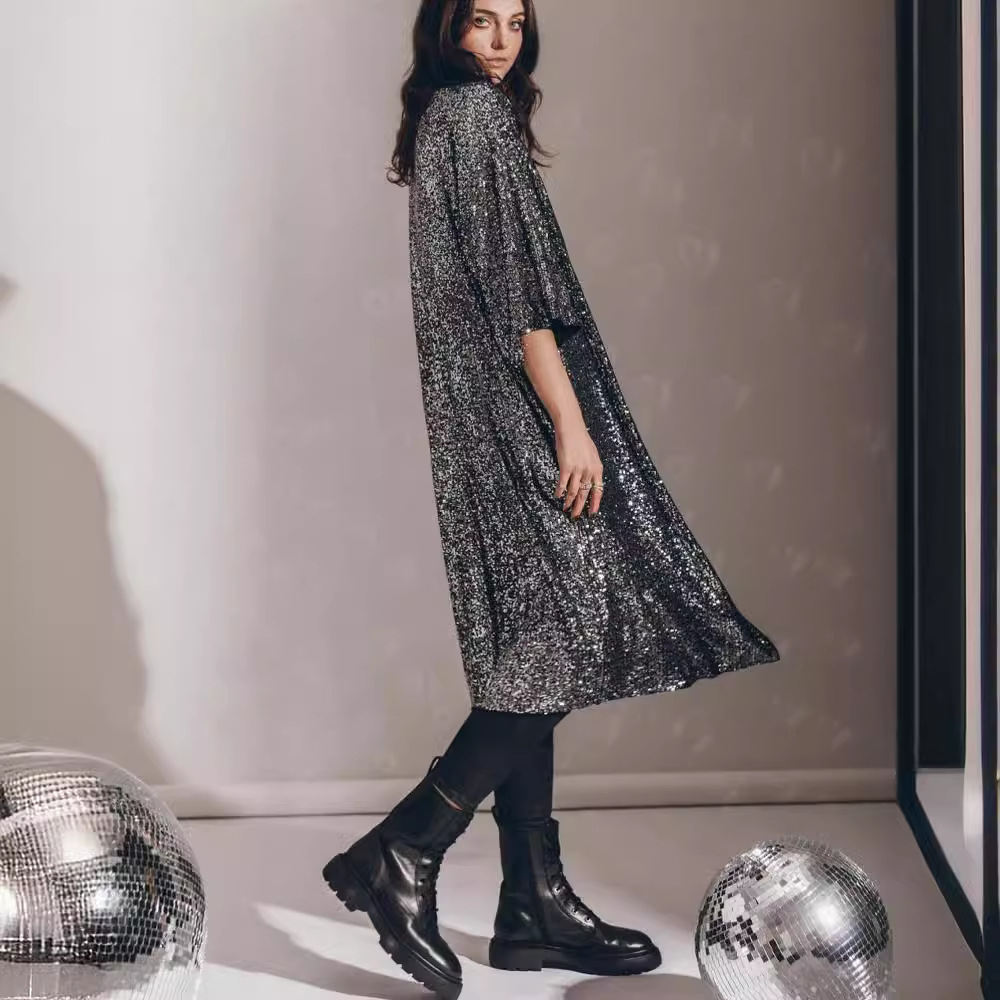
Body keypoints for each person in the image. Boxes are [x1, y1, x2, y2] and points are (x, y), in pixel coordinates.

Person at [323, 1, 781, 996]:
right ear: (445, 27)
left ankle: (531, 902)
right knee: (555, 642)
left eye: (516, 22)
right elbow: (518, 299)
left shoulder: (445, 117)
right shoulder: (474, 117)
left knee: (533, 651)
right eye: (480, 21)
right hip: (514, 415)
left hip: (476, 420)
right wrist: (570, 424)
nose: (499, 41)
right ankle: (405, 847)